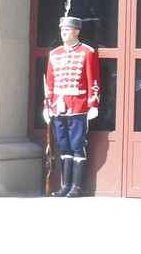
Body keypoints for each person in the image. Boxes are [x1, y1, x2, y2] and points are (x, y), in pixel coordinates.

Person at [43, 16, 101, 197]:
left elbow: (93, 80)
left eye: (67, 30)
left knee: (77, 144)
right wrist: (47, 106)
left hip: (78, 105)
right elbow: (50, 83)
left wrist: (93, 104)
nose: (64, 33)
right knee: (63, 145)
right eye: (62, 30)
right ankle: (65, 185)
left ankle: (76, 186)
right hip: (58, 106)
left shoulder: (87, 52)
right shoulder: (55, 54)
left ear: (77, 32)